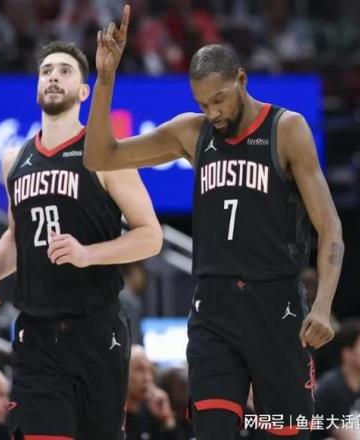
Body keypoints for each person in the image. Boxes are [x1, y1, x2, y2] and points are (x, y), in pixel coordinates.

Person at [84, 6, 344, 439]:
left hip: (276, 303)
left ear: (241, 79)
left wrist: (322, 306)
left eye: (219, 99)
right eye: (203, 104)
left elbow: (330, 225)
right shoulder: (192, 132)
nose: (213, 112)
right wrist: (106, 77)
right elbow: (99, 156)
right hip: (213, 308)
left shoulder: (287, 129)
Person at [0, 40, 163, 440]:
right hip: (36, 332)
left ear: (84, 91)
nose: (53, 77)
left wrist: (88, 253)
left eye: (64, 71)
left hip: (97, 328)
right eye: (46, 71)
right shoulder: (14, 159)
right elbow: (16, 235)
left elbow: (151, 236)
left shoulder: (106, 156)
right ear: (37, 87)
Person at [126, 345, 179, 440]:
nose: (147, 378)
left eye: (149, 370)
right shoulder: (114, 416)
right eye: (139, 369)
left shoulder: (152, 412)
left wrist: (166, 419)